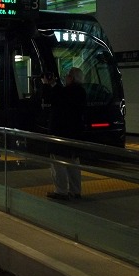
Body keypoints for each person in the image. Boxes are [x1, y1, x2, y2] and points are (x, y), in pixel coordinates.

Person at [46, 67, 86, 200]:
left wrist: (51, 84)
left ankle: (61, 191)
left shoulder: (68, 92)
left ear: (72, 78)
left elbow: (56, 99)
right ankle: (76, 191)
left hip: (61, 133)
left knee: (58, 163)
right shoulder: (81, 92)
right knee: (73, 163)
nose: (65, 78)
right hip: (75, 133)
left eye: (67, 76)